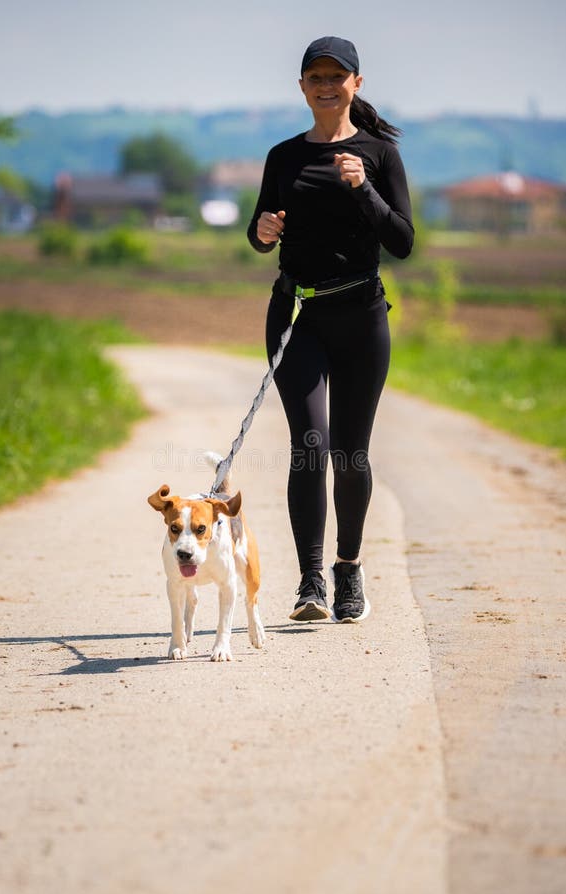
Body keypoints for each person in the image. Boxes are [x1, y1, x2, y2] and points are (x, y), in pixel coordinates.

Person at [247, 36, 414, 624]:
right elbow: (259, 228)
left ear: (356, 85)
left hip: (362, 317)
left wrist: (362, 188)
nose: (325, 85)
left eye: (335, 76)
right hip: (298, 316)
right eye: (314, 76)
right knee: (309, 445)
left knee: (350, 452)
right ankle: (310, 580)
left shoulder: (379, 154)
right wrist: (263, 229)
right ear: (301, 87)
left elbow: (402, 242)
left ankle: (349, 569)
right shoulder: (283, 155)